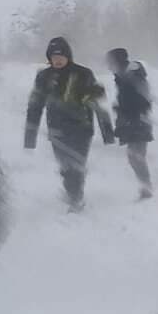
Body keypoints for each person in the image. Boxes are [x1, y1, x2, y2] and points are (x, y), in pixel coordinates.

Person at [24, 36, 114, 211]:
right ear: (49, 58)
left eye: (61, 56)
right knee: (65, 167)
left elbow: (98, 104)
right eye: (54, 56)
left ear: (68, 56)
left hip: (82, 129)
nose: (57, 60)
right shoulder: (44, 77)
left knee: (76, 165)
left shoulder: (83, 74)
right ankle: (72, 191)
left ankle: (76, 199)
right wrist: (30, 137)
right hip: (57, 130)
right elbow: (35, 106)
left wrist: (107, 132)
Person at [106, 46, 154, 200]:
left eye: (110, 62)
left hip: (137, 120)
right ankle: (145, 186)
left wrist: (125, 108)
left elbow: (142, 98)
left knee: (135, 155)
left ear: (117, 61)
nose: (108, 66)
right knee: (135, 156)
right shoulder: (123, 76)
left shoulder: (132, 75)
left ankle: (146, 188)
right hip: (132, 120)